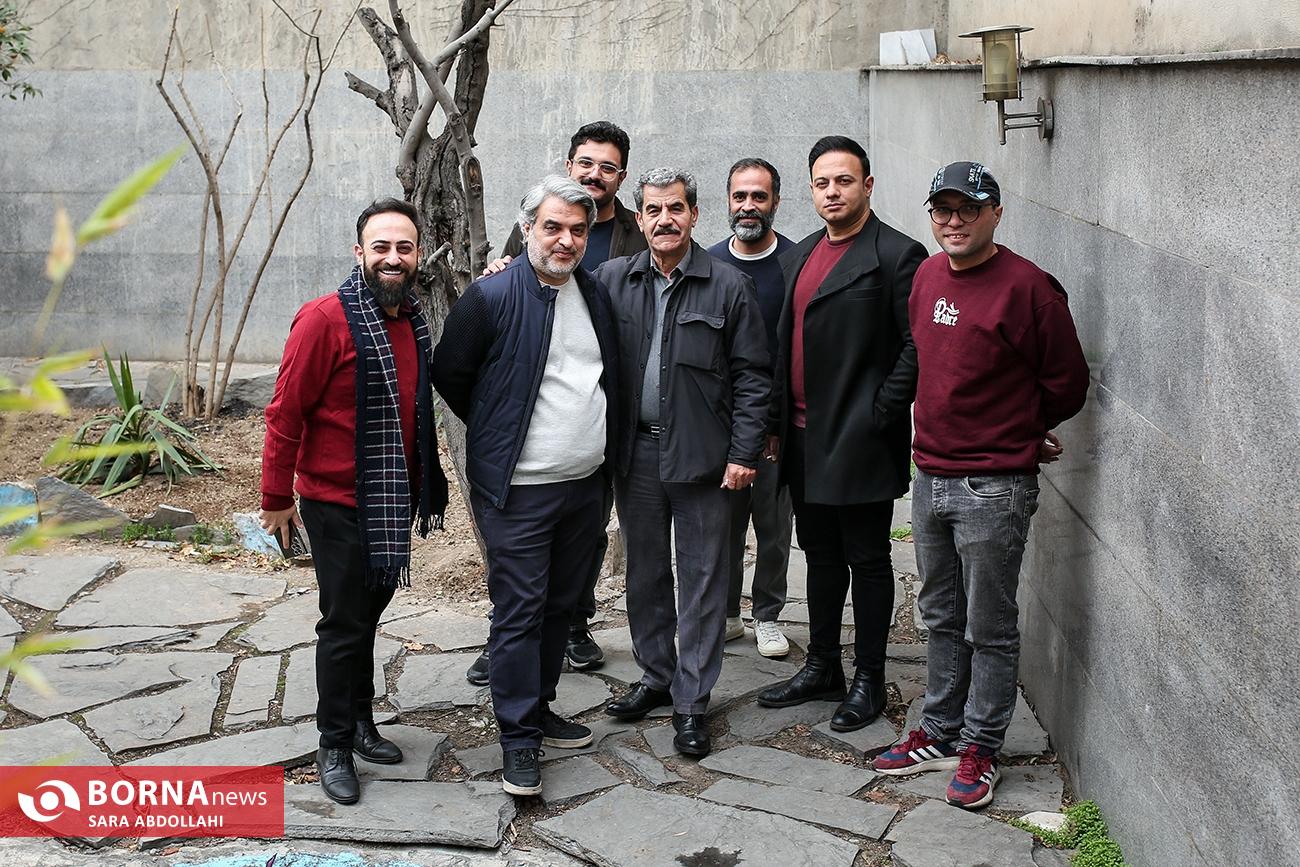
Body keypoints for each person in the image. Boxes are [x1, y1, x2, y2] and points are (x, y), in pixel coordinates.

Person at [873, 162, 1089, 809]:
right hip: (930, 475)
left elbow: (1068, 383)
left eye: (968, 208)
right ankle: (940, 729)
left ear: (995, 211)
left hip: (992, 486)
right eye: (942, 209)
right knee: (941, 613)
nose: (954, 221)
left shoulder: (1029, 289)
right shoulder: (928, 276)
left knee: (988, 625)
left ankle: (981, 746)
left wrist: (1023, 428)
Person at [432, 176, 620, 796]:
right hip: (519, 491)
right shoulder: (490, 297)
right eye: (552, 227)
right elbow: (451, 374)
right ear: (526, 227)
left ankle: (538, 709)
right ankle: (517, 740)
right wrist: (498, 428)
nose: (565, 240)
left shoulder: (594, 293)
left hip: (584, 486)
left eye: (577, 230)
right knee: (519, 613)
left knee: (561, 608)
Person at [260, 198, 449, 806]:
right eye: (381, 246)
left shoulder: (412, 320)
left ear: (417, 255)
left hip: (389, 500)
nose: (393, 257)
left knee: (367, 616)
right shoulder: (323, 320)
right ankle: (334, 744)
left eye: (404, 247)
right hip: (336, 501)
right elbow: (284, 413)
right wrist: (275, 497)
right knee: (344, 625)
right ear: (359, 252)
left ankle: (362, 721)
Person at [466, 121, 648, 686]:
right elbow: (459, 368)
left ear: (621, 176)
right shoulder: (524, 243)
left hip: (589, 444)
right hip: (525, 460)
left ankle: (571, 631)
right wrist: (501, 415)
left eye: (608, 167)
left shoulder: (635, 237)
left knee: (576, 560)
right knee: (520, 589)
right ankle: (511, 663)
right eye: (586, 163)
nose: (595, 174)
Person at [599, 167, 770, 758]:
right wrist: (504, 269)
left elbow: (754, 378)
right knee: (645, 575)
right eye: (653, 210)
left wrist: (744, 452)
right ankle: (656, 676)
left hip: (705, 459)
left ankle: (692, 700)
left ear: (694, 215)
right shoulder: (612, 281)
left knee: (702, 579)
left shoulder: (728, 286)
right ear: (639, 218)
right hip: (636, 456)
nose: (664, 220)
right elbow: (552, 288)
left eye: (675, 208)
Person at [757, 136, 926, 735]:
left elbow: (916, 345)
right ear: (811, 189)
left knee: (868, 558)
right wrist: (774, 423)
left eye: (844, 181)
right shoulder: (801, 253)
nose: (832, 192)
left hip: (861, 438)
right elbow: (782, 344)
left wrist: (881, 411)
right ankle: (823, 664)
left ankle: (869, 678)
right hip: (804, 437)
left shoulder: (897, 255)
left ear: (867, 185)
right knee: (821, 556)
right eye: (822, 183)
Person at [707, 157, 795, 658]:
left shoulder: (796, 263)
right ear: (727, 200)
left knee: (773, 527)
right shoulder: (709, 263)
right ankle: (727, 615)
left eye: (759, 196)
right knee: (723, 528)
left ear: (775, 201)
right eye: (740, 196)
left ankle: (768, 615)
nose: (748, 206)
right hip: (718, 425)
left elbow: (794, 354)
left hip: (776, 427)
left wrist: (777, 422)